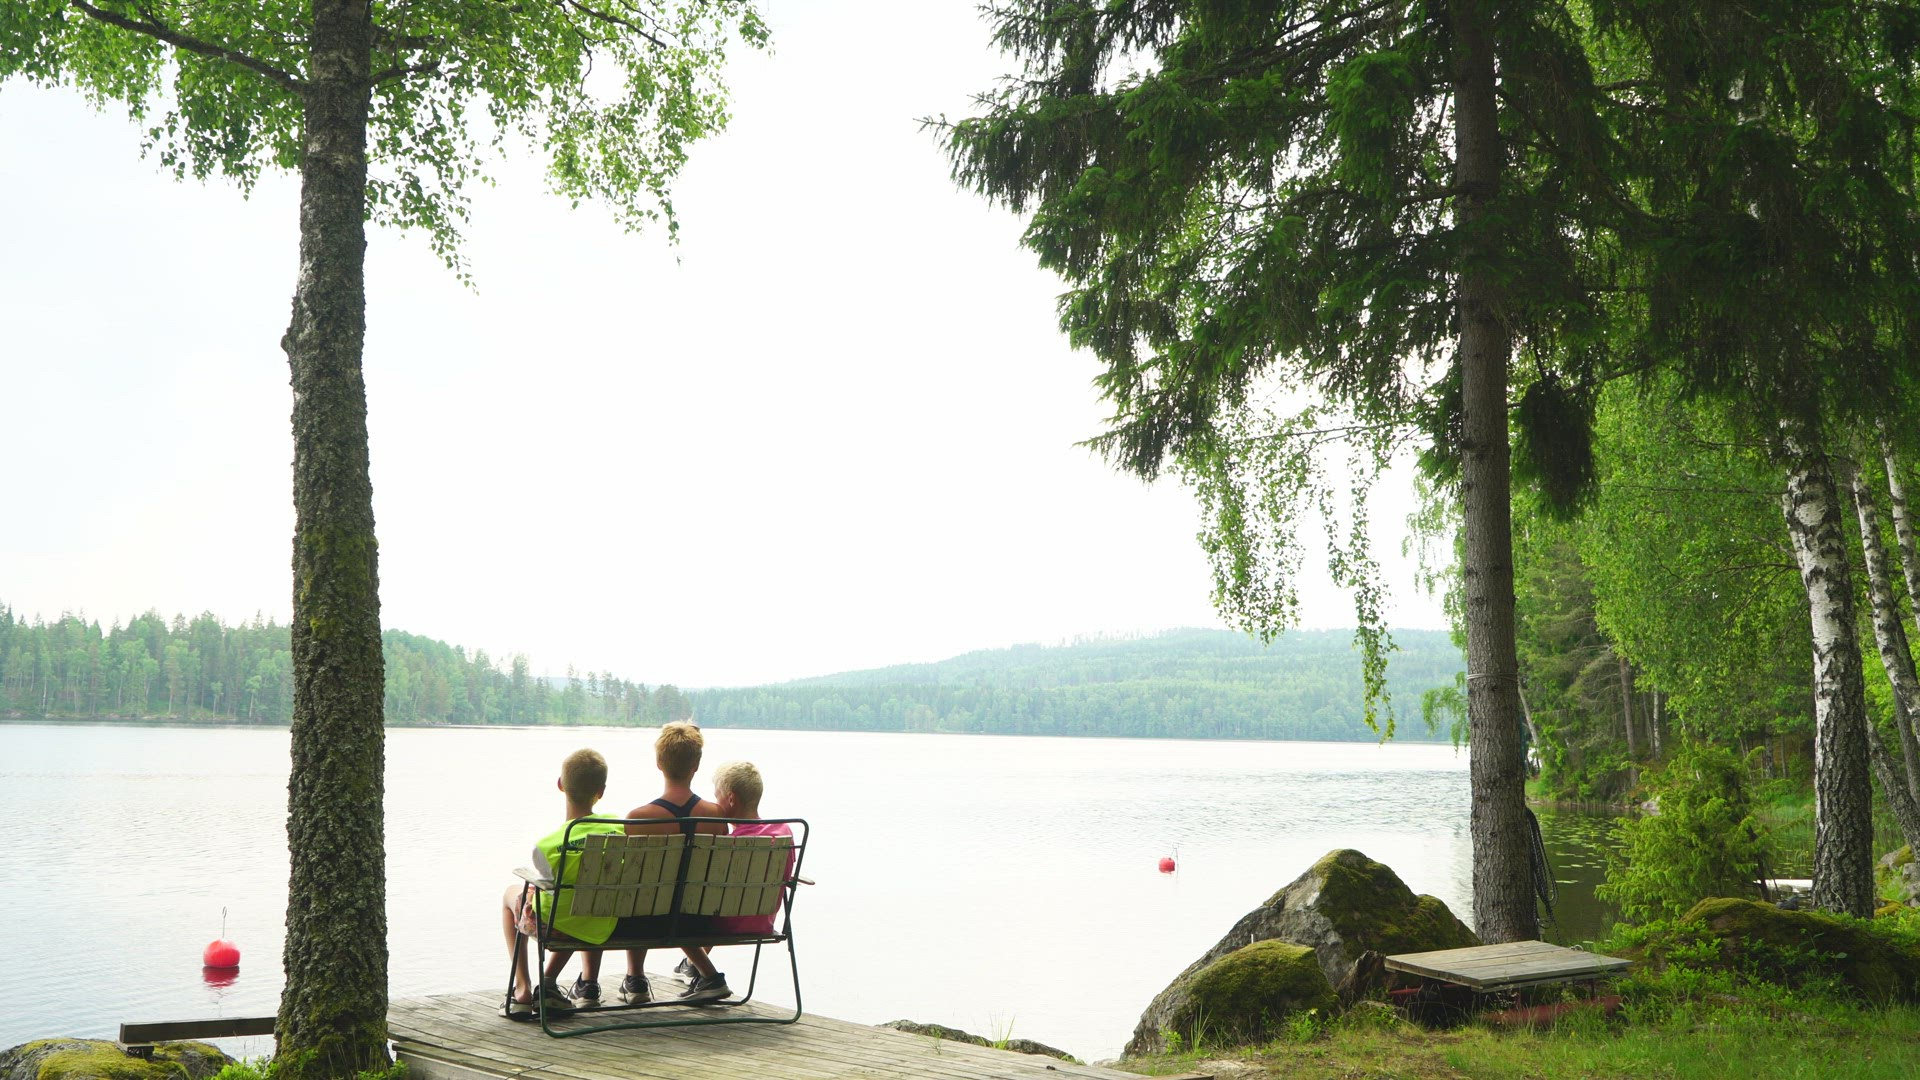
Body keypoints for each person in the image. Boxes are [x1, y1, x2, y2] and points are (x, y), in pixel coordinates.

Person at [614, 721, 732, 1004]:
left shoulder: (639, 818)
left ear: (659, 763)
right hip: (700, 920)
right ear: (696, 766)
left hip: (648, 922)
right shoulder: (716, 815)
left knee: (640, 893)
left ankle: (635, 979)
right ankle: (707, 975)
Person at [499, 748, 620, 1019]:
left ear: (561, 784)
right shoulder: (617, 829)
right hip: (602, 922)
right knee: (582, 900)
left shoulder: (547, 845)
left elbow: (549, 889)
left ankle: (522, 989)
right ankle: (549, 983)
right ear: (601, 791)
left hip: (556, 927)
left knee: (511, 894)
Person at [675, 760, 795, 978]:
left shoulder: (728, 844)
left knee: (686, 907)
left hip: (725, 923)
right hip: (762, 922)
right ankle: (692, 964)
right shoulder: (783, 832)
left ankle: (704, 971)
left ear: (730, 799)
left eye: (717, 796)